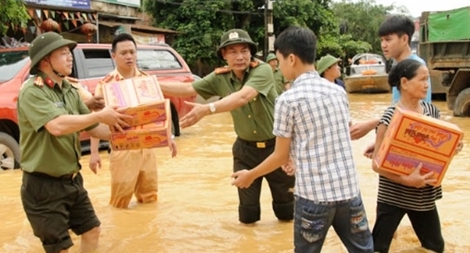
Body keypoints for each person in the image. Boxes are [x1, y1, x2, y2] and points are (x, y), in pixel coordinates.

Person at [231, 26, 374, 252]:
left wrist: (251, 174)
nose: (278, 68)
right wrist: (296, 158)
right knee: (363, 249)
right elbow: (332, 137)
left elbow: (279, 156)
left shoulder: (288, 101)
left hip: (313, 199)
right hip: (349, 194)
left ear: (291, 58)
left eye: (278, 60)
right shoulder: (337, 92)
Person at [158, 28, 295, 225]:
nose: (240, 57)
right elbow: (188, 88)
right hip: (245, 152)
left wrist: (207, 109)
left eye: (244, 51)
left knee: (286, 213)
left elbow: (243, 96)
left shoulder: (263, 70)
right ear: (224, 55)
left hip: (277, 150)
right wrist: (152, 83)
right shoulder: (219, 77)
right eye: (233, 52)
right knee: (247, 217)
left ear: (251, 52)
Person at [18, 32, 131, 253]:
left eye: (69, 52)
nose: (70, 57)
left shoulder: (69, 90)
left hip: (71, 180)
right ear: (45, 60)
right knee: (60, 248)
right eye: (63, 53)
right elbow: (57, 126)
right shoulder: (33, 92)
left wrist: (130, 134)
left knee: (92, 231)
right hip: (42, 186)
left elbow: (94, 128)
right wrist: (99, 115)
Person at [370, 58, 464, 253]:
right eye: (422, 80)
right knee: (378, 248)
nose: (427, 85)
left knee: (435, 246)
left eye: (427, 79)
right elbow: (377, 164)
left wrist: (453, 149)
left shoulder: (432, 112)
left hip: (423, 194)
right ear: (404, 83)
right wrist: (406, 179)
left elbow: (438, 154)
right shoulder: (389, 117)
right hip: (393, 194)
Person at [90, 33, 177, 209]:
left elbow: (158, 115)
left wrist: (170, 138)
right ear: (113, 56)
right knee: (120, 202)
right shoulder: (105, 85)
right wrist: (94, 152)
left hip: (148, 146)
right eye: (123, 53)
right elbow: (96, 120)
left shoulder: (147, 80)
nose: (129, 56)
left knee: (150, 198)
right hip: (123, 148)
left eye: (132, 52)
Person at [350, 15, 432, 150]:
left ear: (404, 39)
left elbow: (418, 116)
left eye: (388, 40)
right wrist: (382, 141)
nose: (383, 45)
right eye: (382, 40)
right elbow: (399, 109)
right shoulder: (399, 67)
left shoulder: (417, 68)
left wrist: (373, 123)